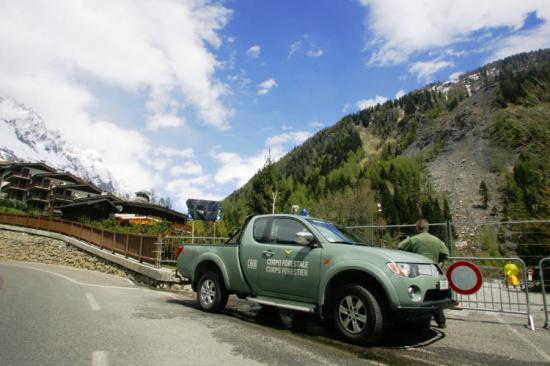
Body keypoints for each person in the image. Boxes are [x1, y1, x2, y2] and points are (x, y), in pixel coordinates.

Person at [398, 218, 450, 328]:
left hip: (418, 272)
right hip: (433, 271)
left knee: (419, 297)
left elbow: (399, 248)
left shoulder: (413, 240)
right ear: (428, 227)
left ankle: (418, 321)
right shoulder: (437, 240)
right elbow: (446, 254)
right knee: (434, 297)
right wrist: (438, 261)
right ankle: (441, 321)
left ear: (417, 228)